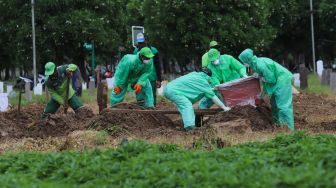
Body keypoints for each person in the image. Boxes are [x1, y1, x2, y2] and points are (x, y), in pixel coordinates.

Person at [238, 48, 294, 130]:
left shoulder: (260, 64)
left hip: (283, 81)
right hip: (278, 82)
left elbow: (271, 79)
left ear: (247, 59)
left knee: (283, 106)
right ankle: (277, 125)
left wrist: (261, 78)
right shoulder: (255, 63)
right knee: (274, 105)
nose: (243, 63)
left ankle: (288, 129)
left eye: (243, 61)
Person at [163, 69, 231, 131]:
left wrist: (211, 89)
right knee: (187, 105)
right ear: (208, 77)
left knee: (184, 107)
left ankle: (187, 124)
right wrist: (224, 107)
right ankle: (190, 128)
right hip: (174, 91)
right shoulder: (203, 82)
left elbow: (195, 87)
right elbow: (213, 97)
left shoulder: (195, 75)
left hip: (169, 88)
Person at [133, 33, 162, 106]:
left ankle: (152, 111)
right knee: (140, 96)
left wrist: (159, 79)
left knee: (151, 96)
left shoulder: (154, 50)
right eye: (139, 43)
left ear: (147, 40)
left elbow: (158, 66)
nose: (141, 44)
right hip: (139, 79)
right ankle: (142, 112)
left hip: (151, 77)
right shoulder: (136, 51)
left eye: (142, 42)